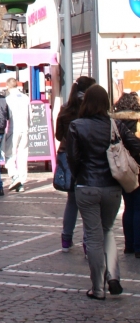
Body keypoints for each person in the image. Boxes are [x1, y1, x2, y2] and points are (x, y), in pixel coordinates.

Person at [66, 84, 140, 299]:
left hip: (87, 185)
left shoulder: (76, 126)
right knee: (108, 231)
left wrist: (80, 175)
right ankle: (114, 276)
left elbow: (73, 158)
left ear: (85, 102)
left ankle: (98, 288)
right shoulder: (115, 125)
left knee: (93, 236)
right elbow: (136, 146)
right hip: (112, 187)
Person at [55, 75, 95, 250]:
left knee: (72, 200)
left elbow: (58, 135)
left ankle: (66, 238)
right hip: (86, 156)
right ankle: (87, 242)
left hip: (66, 153)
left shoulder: (65, 109)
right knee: (88, 201)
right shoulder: (90, 109)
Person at [115, 91, 140, 257]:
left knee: (129, 207)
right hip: (136, 166)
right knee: (138, 207)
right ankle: (138, 246)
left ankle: (129, 245)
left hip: (122, 167)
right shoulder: (137, 123)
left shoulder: (115, 123)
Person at [4, 78, 30, 193]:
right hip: (25, 128)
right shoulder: (26, 98)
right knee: (23, 155)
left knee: (9, 154)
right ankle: (22, 182)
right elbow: (30, 115)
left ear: (8, 86)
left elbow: (7, 116)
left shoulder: (8, 99)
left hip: (13, 129)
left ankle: (15, 176)